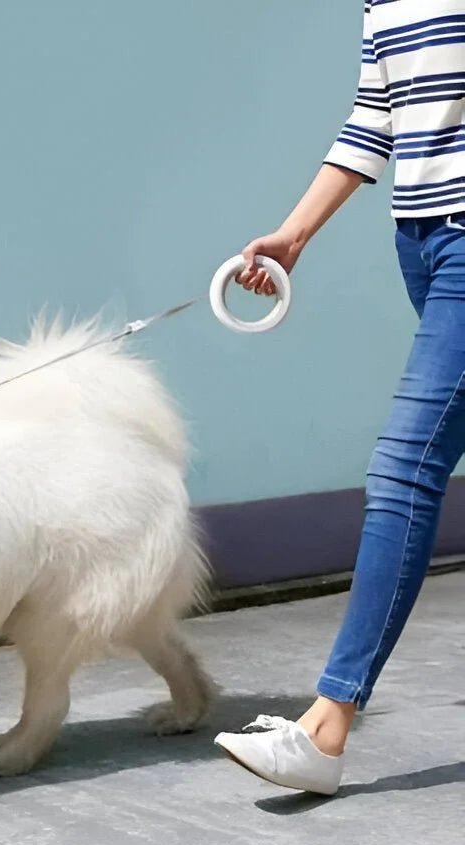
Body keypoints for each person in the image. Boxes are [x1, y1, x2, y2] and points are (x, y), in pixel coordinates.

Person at [214, 0, 465, 795]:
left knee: (404, 467)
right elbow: (376, 114)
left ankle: (326, 727)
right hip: (420, 243)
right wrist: (294, 234)